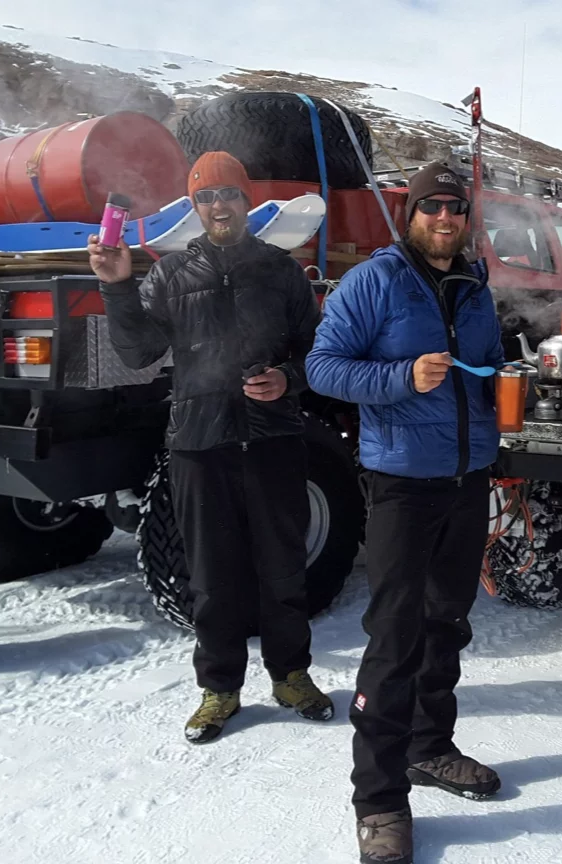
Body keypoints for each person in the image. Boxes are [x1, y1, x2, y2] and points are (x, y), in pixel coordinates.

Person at [88, 150, 334, 745]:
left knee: (282, 566)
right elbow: (138, 354)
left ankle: (291, 674)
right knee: (211, 576)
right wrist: (119, 288)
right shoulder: (172, 274)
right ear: (195, 207)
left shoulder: (281, 271)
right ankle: (219, 689)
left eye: (228, 194)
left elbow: (317, 353)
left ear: (247, 202)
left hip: (273, 438)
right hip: (199, 443)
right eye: (205, 197)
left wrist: (286, 379)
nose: (218, 205)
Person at [306, 161, 503, 864]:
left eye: (455, 207)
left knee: (447, 622)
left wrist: (513, 393)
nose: (444, 218)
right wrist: (398, 377)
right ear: (410, 214)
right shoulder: (374, 281)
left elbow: (486, 370)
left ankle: (430, 748)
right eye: (431, 207)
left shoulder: (476, 287)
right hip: (401, 484)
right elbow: (322, 368)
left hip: (467, 478)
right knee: (394, 638)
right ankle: (380, 799)